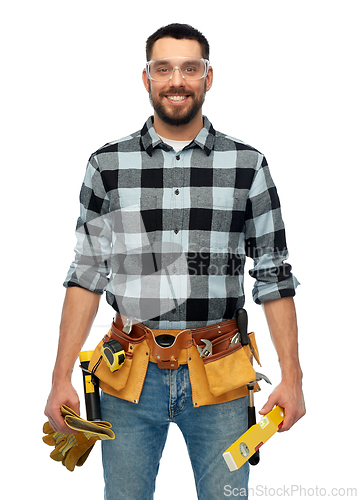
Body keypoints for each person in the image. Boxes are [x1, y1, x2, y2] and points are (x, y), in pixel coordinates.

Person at [45, 23, 305, 500]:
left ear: (209, 77)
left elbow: (273, 276)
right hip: (128, 377)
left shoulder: (249, 166)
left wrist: (293, 377)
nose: (176, 80)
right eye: (163, 69)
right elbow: (85, 275)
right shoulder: (107, 165)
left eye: (190, 68)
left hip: (221, 376)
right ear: (146, 79)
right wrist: (60, 376)